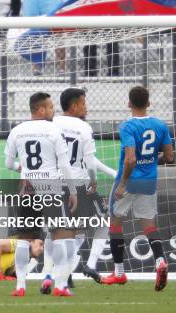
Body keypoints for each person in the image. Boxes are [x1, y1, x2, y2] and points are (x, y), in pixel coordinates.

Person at [4, 92, 78, 297]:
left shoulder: (17, 131)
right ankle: (61, 286)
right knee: (60, 237)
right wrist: (72, 190)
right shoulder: (54, 130)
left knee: (23, 239)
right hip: (51, 187)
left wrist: (22, 168)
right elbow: (64, 164)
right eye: (51, 107)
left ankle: (20, 286)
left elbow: (8, 164)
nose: (54, 111)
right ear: (41, 109)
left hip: (27, 188)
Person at [39, 88, 112, 293]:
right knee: (102, 221)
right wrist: (93, 181)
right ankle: (87, 265)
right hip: (77, 186)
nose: (86, 107)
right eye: (83, 103)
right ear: (74, 106)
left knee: (57, 231)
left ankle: (50, 274)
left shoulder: (51, 123)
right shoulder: (83, 128)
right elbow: (89, 160)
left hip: (51, 185)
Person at [101, 86, 174, 291]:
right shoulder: (160, 125)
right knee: (149, 224)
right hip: (149, 181)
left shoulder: (127, 127)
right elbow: (169, 157)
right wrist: (150, 162)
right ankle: (160, 261)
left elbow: (130, 159)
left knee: (115, 222)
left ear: (129, 103)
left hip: (130, 180)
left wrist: (123, 184)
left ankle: (119, 273)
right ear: (149, 103)